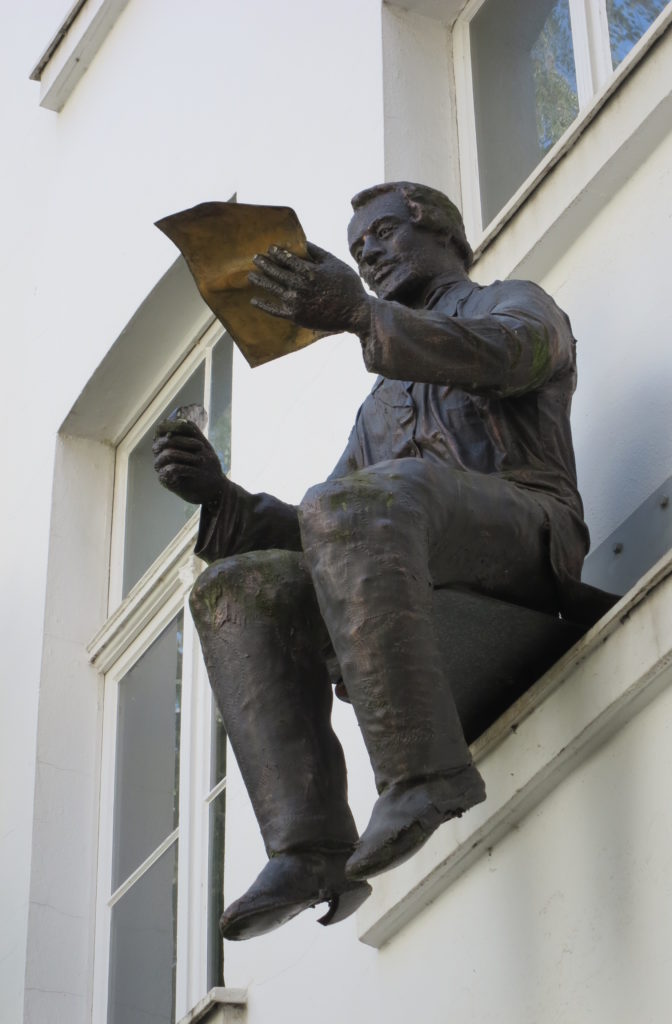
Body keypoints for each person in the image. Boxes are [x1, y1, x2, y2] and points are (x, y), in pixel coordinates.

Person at [153, 181, 590, 941]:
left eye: (383, 236)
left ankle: (425, 777)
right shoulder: (380, 404)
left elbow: (512, 356)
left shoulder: (512, 302)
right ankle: (310, 845)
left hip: (531, 535)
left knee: (363, 502)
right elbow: (328, 532)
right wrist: (221, 496)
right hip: (416, 552)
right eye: (358, 252)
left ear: (445, 234)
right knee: (242, 586)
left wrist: (361, 315)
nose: (370, 257)